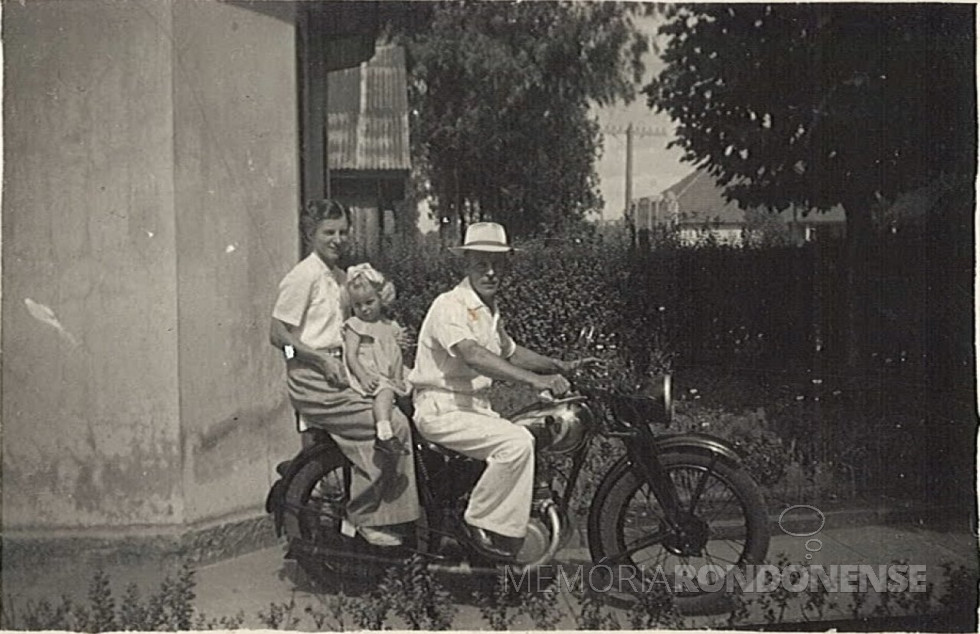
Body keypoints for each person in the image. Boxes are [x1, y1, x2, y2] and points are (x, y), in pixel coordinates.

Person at [408, 221, 589, 560]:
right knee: (518, 443)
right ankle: (483, 529)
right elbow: (473, 354)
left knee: (526, 435)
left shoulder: (488, 311)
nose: (490, 272)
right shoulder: (450, 305)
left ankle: (508, 523)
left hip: (472, 410)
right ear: (467, 264)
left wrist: (557, 365)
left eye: (497, 265)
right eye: (481, 264)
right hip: (443, 409)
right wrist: (534, 381)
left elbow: (509, 351)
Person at [269, 199, 419, 548]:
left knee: (412, 404)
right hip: (315, 380)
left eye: (342, 232)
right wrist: (316, 360)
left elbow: (368, 307)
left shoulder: (340, 277)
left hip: (345, 371)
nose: (337, 239)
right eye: (328, 233)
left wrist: (388, 307)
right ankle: (366, 516)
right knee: (392, 426)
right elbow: (278, 338)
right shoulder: (302, 277)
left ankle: (408, 514)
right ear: (311, 235)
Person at [342, 263, 410, 457]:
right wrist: (363, 376)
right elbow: (351, 355)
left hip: (389, 373)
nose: (364, 309)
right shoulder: (355, 326)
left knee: (413, 388)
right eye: (357, 305)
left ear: (381, 298)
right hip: (370, 374)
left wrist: (399, 377)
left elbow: (396, 355)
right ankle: (384, 434)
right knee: (385, 392)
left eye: (369, 302)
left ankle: (420, 443)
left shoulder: (390, 326)